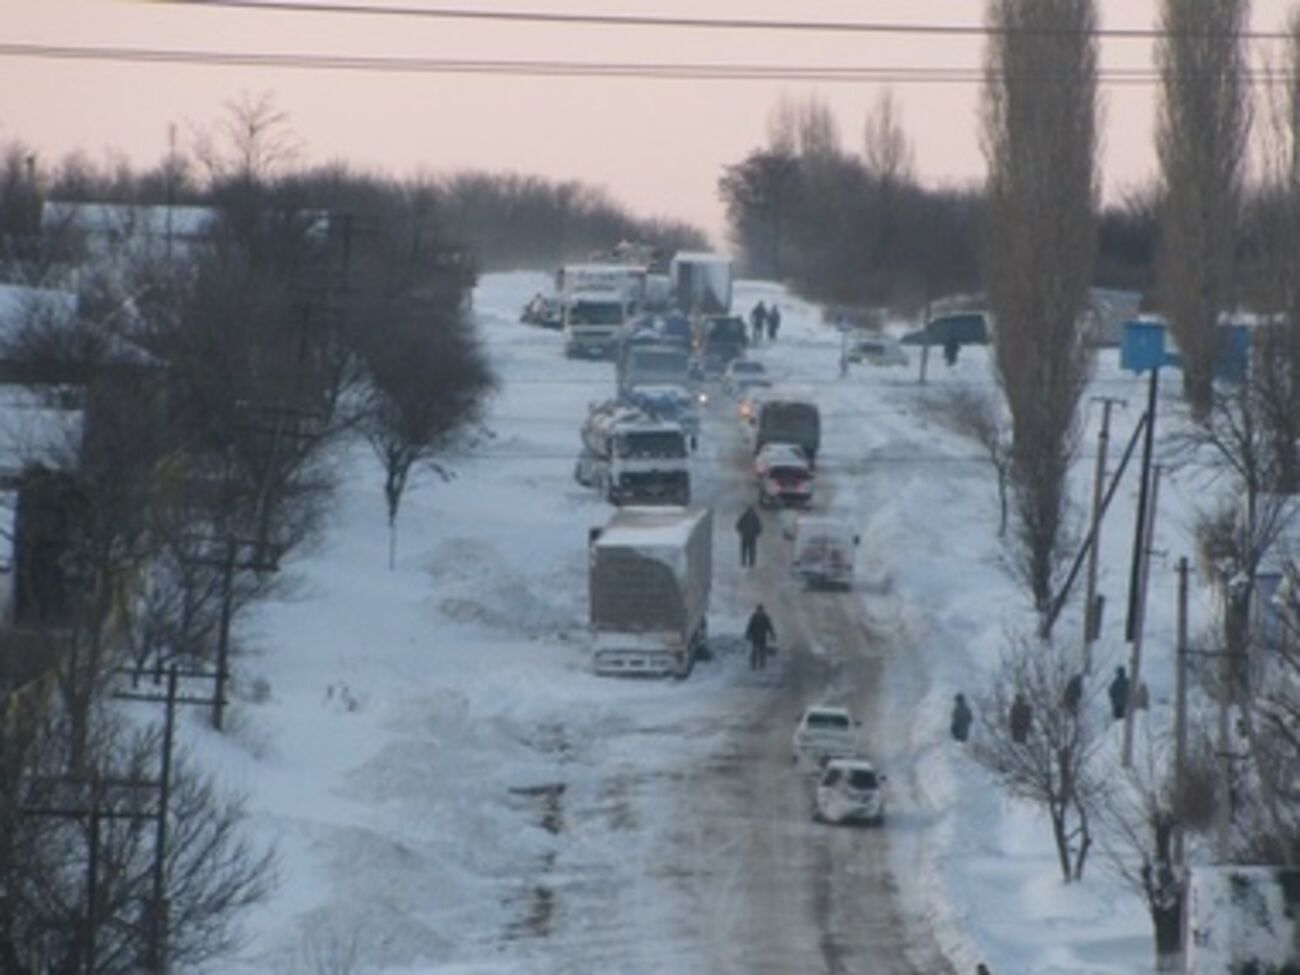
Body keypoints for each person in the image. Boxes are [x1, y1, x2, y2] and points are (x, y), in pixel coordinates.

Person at [745, 603, 776, 670]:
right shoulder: (754, 617)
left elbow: (770, 627)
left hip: (762, 636)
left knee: (762, 651)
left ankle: (762, 665)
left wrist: (772, 635)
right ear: (757, 610)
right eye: (758, 610)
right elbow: (750, 626)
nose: (760, 611)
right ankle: (753, 665)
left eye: (761, 610)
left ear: (763, 610)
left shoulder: (765, 617)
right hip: (755, 636)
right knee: (754, 651)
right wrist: (747, 634)